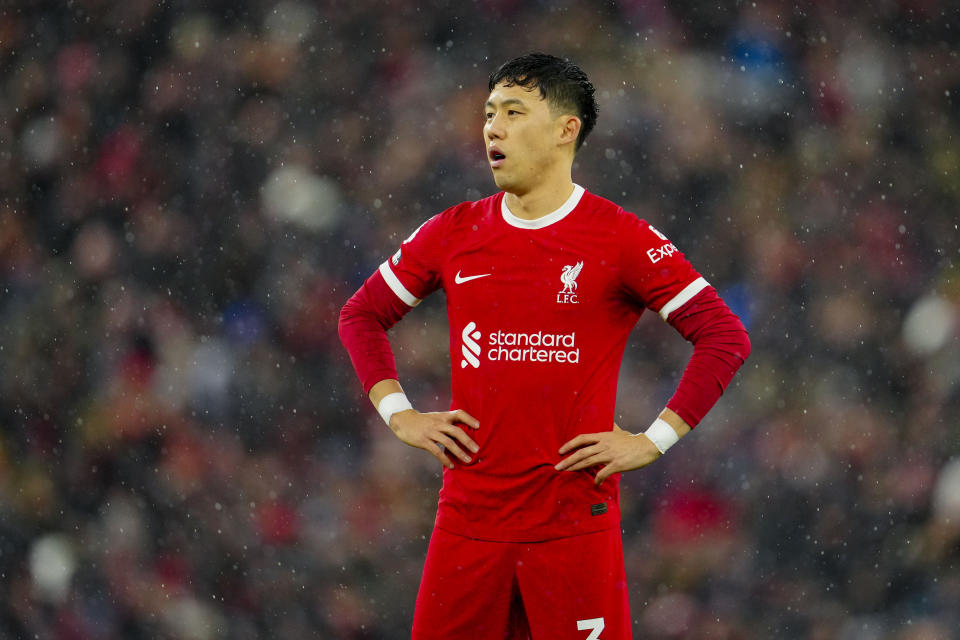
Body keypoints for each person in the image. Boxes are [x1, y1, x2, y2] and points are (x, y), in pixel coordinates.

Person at [338, 52, 751, 640]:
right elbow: (362, 315)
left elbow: (724, 335)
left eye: (513, 111)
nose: (492, 128)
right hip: (468, 524)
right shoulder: (453, 233)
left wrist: (654, 440)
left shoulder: (620, 237)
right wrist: (398, 413)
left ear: (566, 129)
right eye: (488, 114)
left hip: (571, 528)